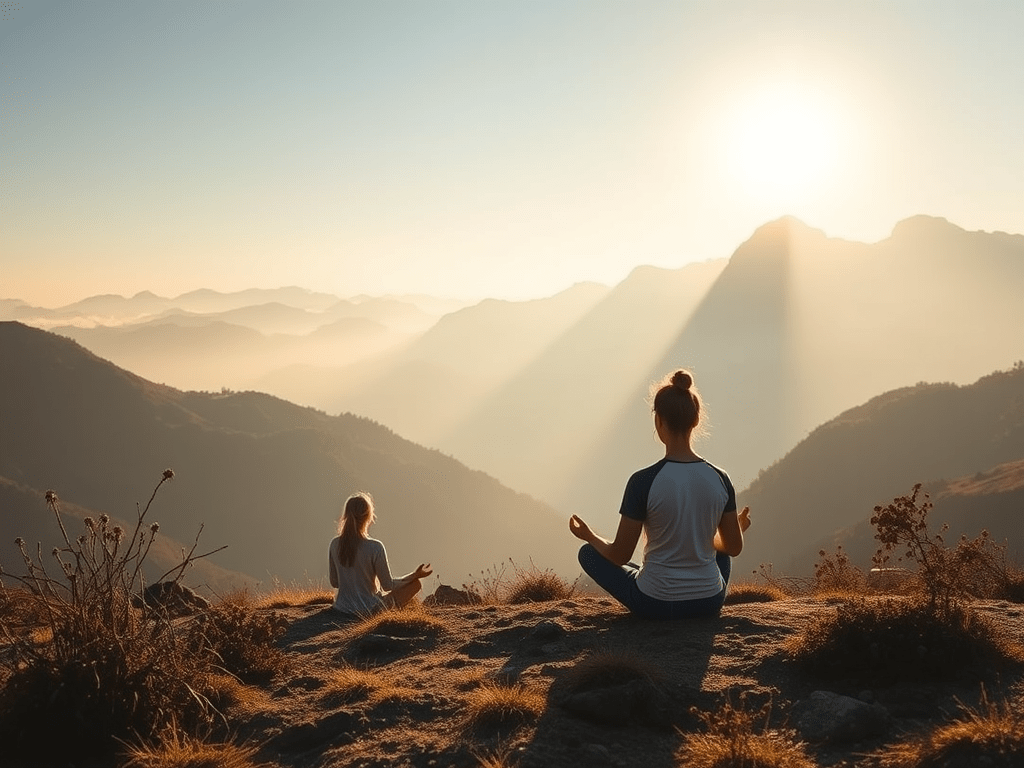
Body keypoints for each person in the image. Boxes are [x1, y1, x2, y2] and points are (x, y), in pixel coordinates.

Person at [569, 369, 751, 619]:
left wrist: (588, 535)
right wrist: (735, 528)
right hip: (708, 603)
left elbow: (620, 554)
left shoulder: (643, 481)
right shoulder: (721, 478)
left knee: (589, 554)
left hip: (655, 604)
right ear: (696, 420)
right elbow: (733, 547)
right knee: (721, 556)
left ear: (659, 421)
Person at [328, 491, 433, 615]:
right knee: (415, 585)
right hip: (370, 610)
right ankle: (392, 613)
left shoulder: (335, 544)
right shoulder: (375, 547)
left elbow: (335, 582)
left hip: (342, 608)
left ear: (346, 515)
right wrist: (415, 576)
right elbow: (388, 585)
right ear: (369, 516)